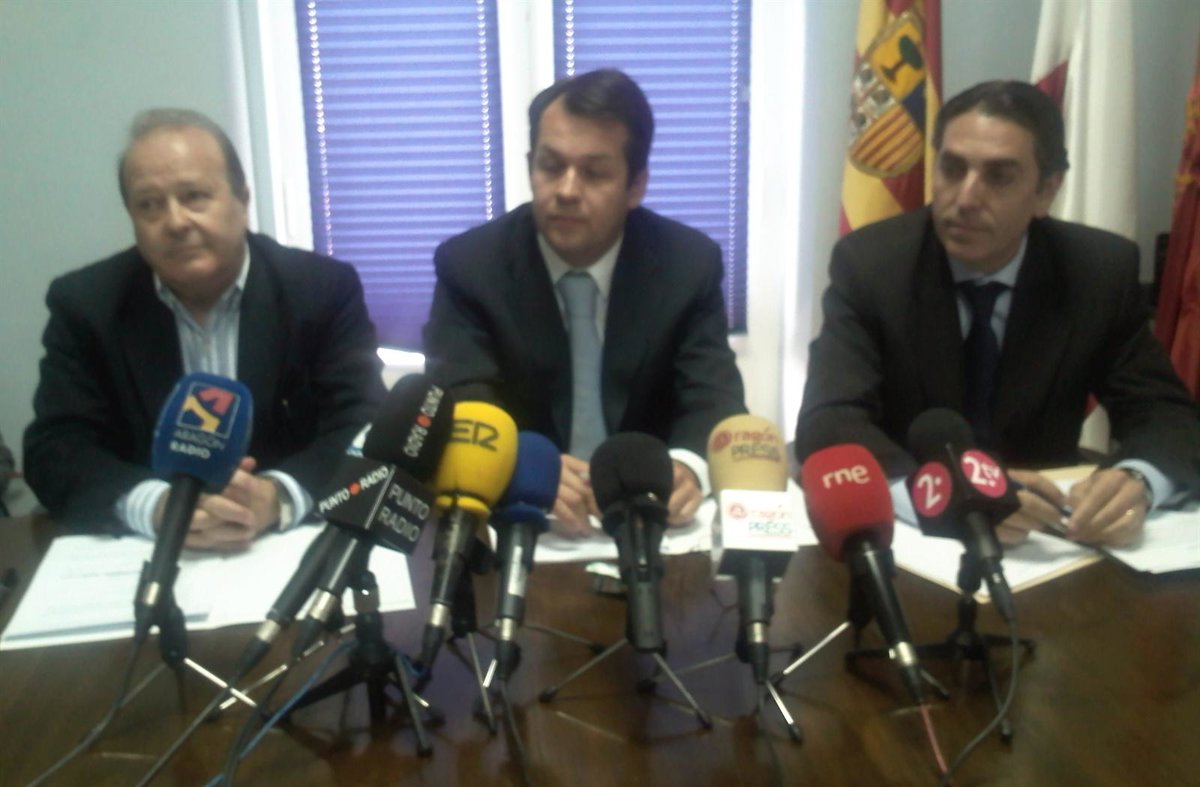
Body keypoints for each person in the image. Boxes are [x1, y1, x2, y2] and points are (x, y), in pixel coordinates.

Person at [796, 80, 1200, 548]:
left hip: (1048, 543)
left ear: (1046, 191)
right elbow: (830, 421)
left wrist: (1138, 481)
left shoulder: (1096, 273)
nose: (966, 198)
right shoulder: (872, 266)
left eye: (999, 176)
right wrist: (949, 497)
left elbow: (1167, 416)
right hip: (915, 546)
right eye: (952, 168)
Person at [24, 109, 385, 550]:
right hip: (149, 553)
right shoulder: (87, 305)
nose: (175, 222)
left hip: (284, 547)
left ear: (242, 200)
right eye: (149, 205)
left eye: (194, 196)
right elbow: (56, 448)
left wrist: (275, 496)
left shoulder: (320, 290)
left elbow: (364, 425)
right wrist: (158, 507)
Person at [423, 68, 746, 537]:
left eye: (594, 173)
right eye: (551, 166)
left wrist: (686, 467)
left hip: (649, 522)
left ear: (636, 185)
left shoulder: (687, 265)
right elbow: (463, 398)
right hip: (526, 526)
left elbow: (712, 396)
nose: (567, 191)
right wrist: (519, 467)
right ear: (530, 166)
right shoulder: (471, 266)